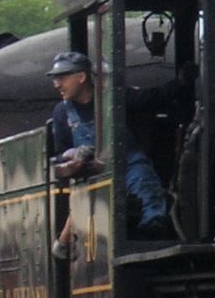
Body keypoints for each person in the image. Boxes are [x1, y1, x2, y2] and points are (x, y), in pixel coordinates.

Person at [46, 49, 172, 250]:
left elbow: (150, 98)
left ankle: (153, 229)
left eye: (62, 77)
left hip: (128, 162)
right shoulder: (62, 113)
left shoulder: (115, 98)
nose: (57, 84)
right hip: (93, 175)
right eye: (55, 79)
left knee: (143, 180)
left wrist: (181, 84)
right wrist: (73, 155)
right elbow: (60, 154)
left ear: (81, 77)